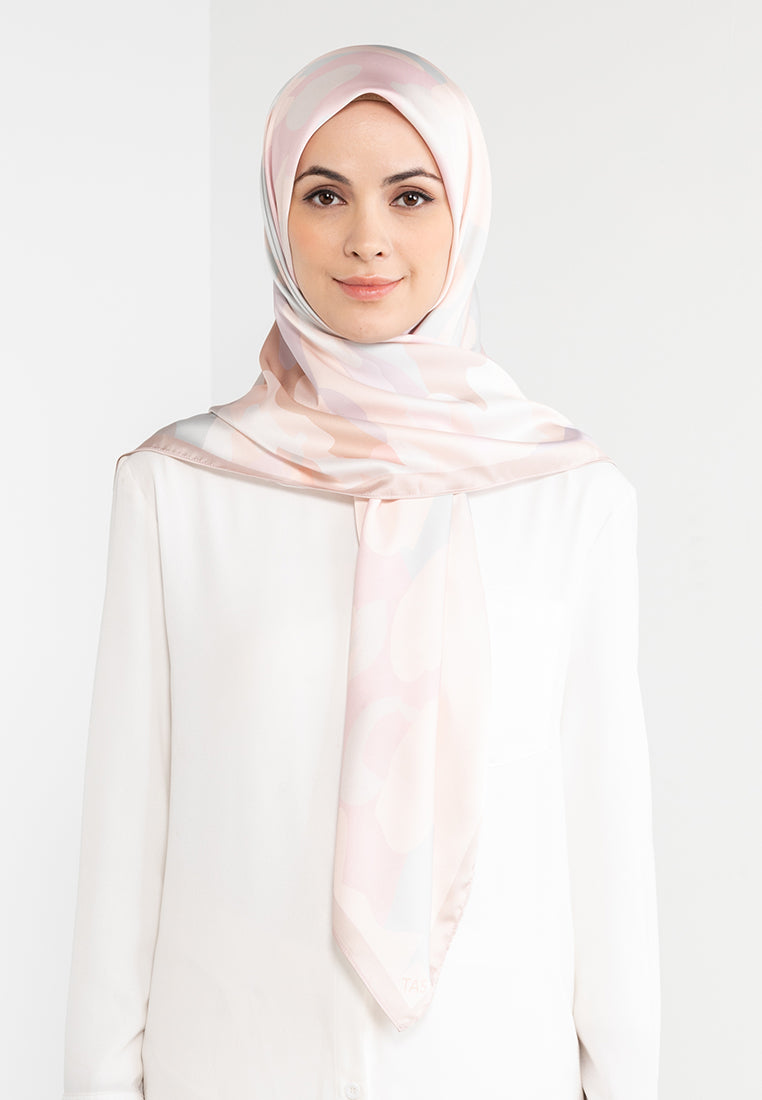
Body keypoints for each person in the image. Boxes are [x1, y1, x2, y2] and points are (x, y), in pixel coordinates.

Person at [61, 44, 660, 1100]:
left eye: (411, 196)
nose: (367, 237)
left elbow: (608, 852)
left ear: (465, 213)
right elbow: (124, 841)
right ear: (277, 213)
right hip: (235, 1063)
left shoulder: (571, 499)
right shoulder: (178, 490)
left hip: (492, 1066)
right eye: (325, 193)